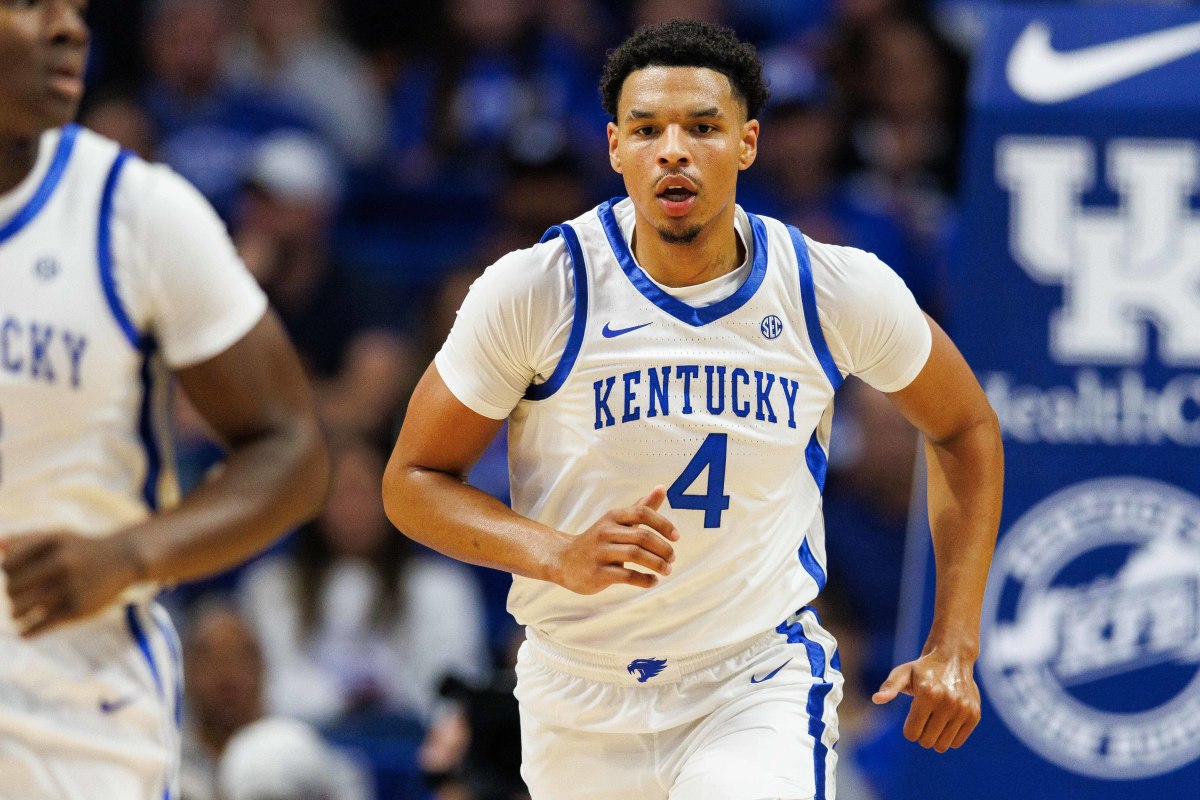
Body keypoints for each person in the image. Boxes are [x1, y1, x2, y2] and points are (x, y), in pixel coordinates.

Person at [383, 19, 1003, 800]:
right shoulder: (538, 288)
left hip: (751, 682)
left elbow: (965, 426)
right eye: (647, 129)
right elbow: (412, 481)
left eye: (702, 127)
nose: (672, 150)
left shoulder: (828, 287)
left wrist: (955, 642)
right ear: (615, 147)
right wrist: (557, 554)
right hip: (576, 689)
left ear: (747, 143)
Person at [0, 4, 328, 799]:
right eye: (32, 2)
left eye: (78, 9)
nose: (69, 29)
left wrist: (132, 554)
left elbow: (292, 452)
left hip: (76, 708)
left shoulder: (135, 210)